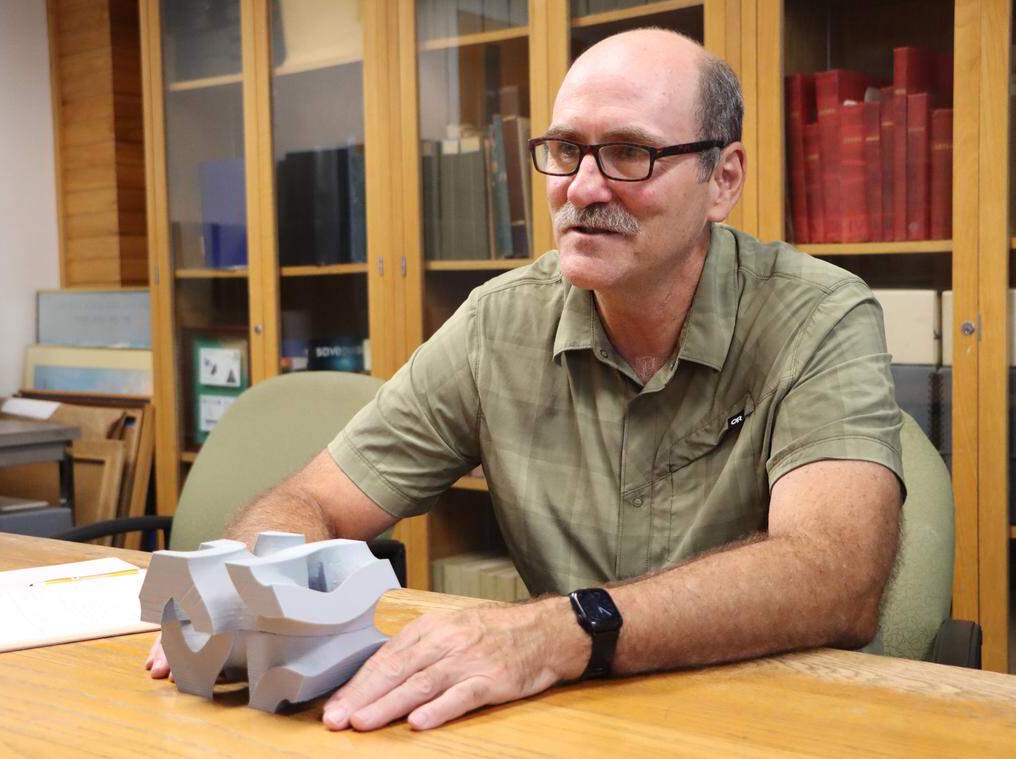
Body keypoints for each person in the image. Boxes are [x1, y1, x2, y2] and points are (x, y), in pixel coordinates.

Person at [146, 27, 903, 733]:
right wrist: (251, 591)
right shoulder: (499, 323)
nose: (582, 188)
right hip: (566, 726)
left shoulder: (818, 315)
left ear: (722, 179)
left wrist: (560, 631)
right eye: (566, 150)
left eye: (629, 154)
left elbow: (836, 575)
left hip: (766, 723)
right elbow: (313, 499)